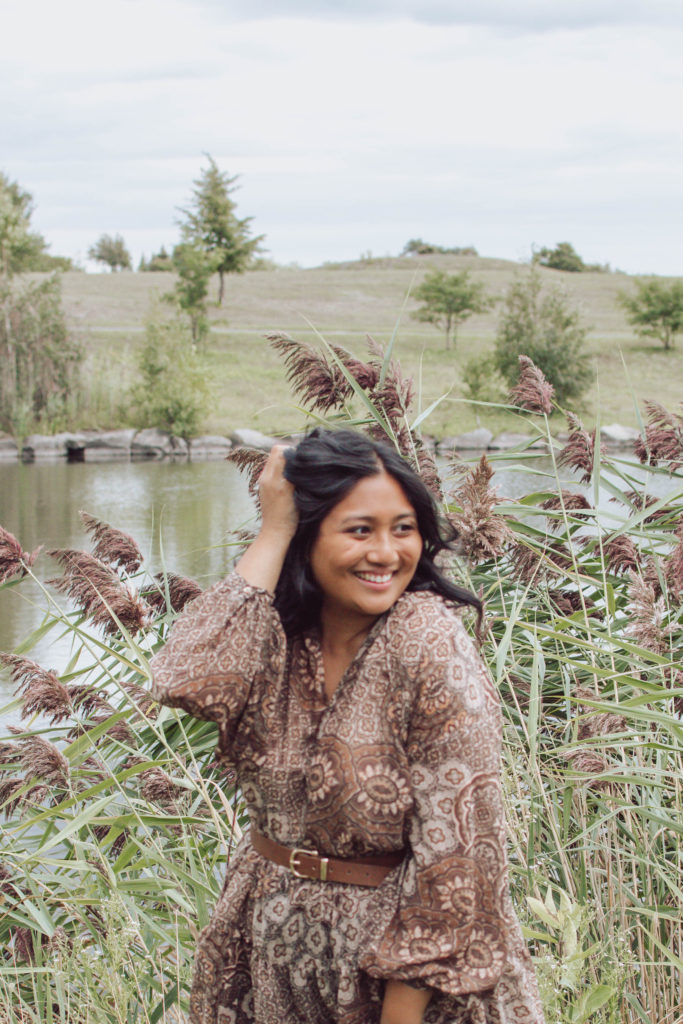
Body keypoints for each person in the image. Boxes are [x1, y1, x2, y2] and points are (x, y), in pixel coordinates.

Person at [150, 428, 545, 1024]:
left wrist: (401, 1013)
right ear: (308, 536)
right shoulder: (276, 636)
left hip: (402, 981)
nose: (386, 553)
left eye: (404, 528)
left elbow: (460, 857)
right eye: (360, 530)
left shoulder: (426, 641)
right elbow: (186, 680)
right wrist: (275, 527)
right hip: (270, 959)